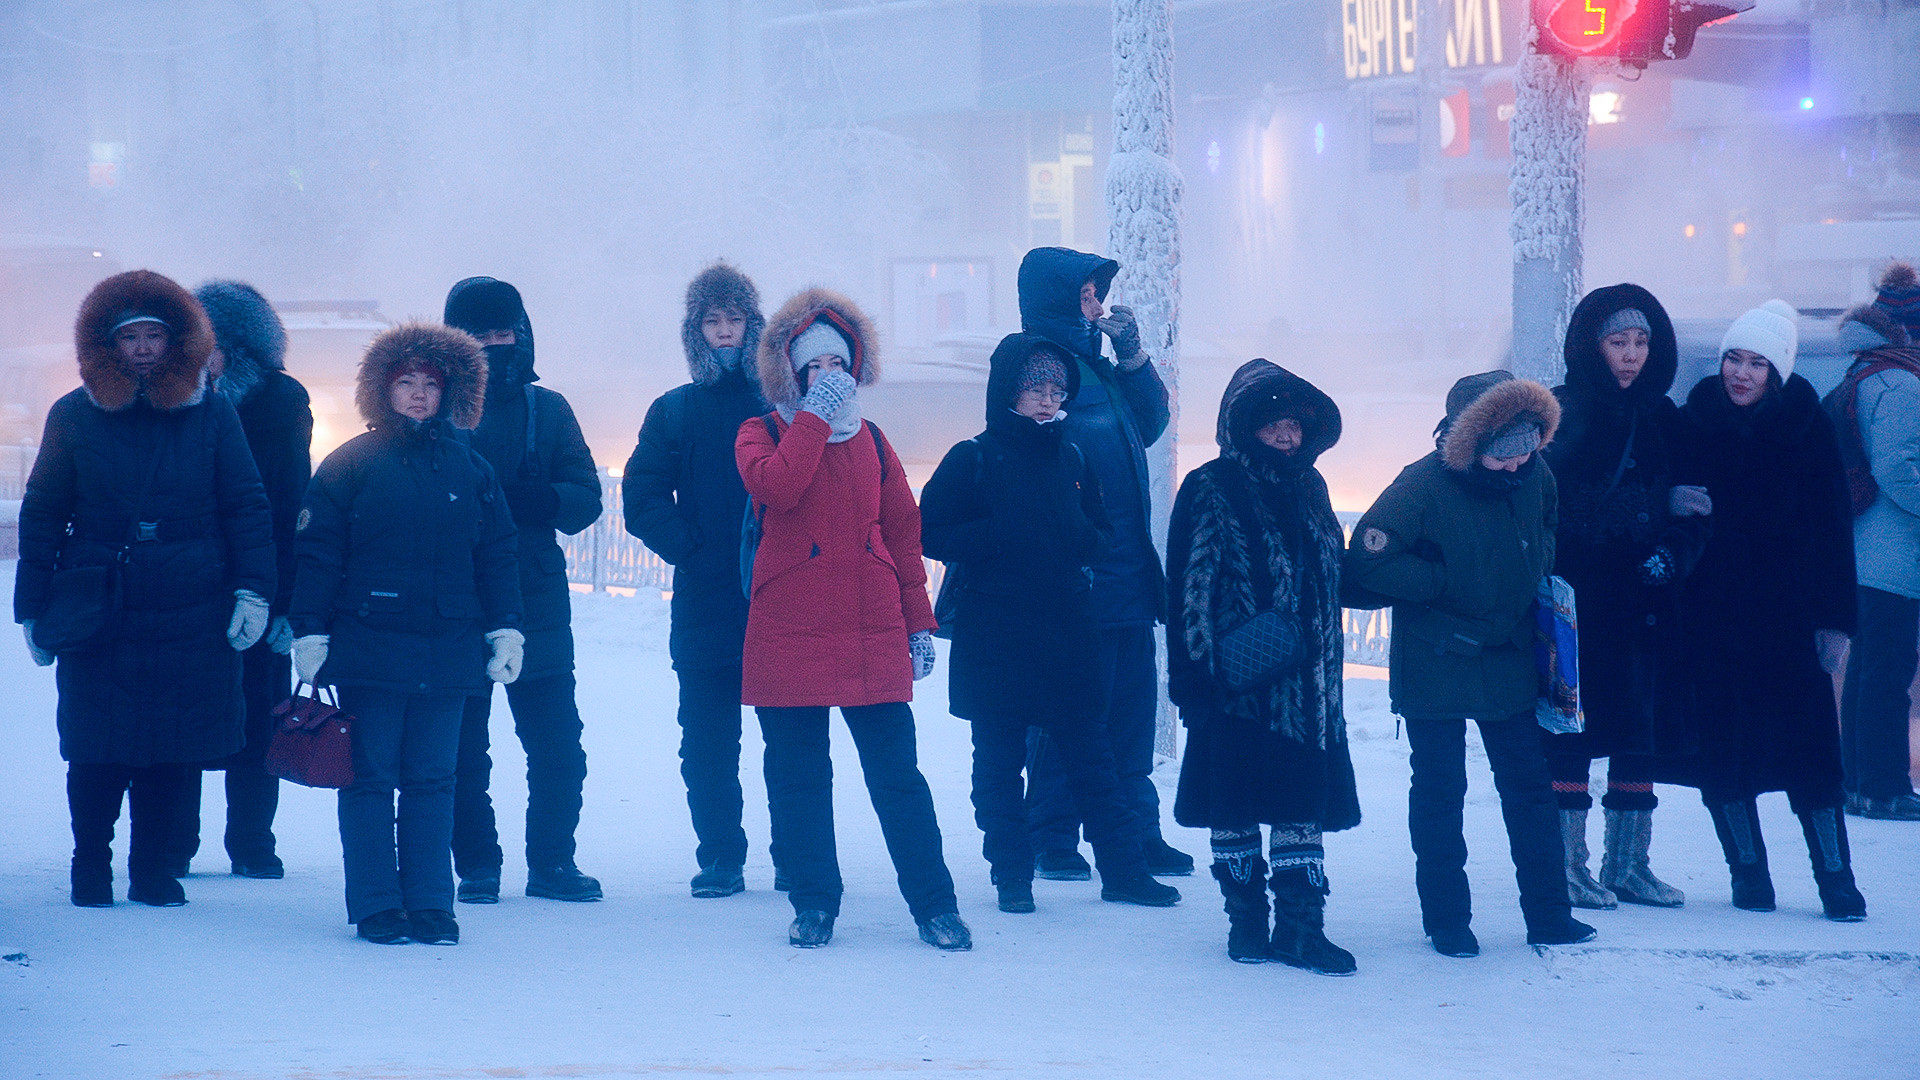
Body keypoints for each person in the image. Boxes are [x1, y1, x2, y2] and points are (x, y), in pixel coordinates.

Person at [16, 270, 276, 908]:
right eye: (128, 336)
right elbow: (44, 508)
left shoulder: (211, 412)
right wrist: (34, 607)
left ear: (175, 340)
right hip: (102, 601)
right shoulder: (74, 414)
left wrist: (253, 590)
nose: (141, 348)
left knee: (174, 747)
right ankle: (90, 865)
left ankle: (153, 869)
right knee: (97, 746)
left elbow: (245, 504)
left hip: (193, 601)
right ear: (104, 342)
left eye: (153, 335)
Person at [735, 287, 969, 951]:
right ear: (792, 372)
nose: (829, 378)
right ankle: (814, 904)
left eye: (839, 365)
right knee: (800, 779)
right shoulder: (760, 431)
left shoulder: (874, 440)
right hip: (789, 630)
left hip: (870, 630)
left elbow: (902, 531)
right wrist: (810, 419)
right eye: (815, 368)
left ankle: (935, 907)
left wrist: (919, 623)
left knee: (899, 780)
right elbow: (778, 487)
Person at [920, 333, 1181, 916]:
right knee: (996, 764)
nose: (1046, 398)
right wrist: (997, 537)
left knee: (1094, 758)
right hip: (997, 635)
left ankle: (1124, 872)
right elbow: (927, 530)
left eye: (1055, 388)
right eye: (1034, 387)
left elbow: (1100, 530)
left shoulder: (1072, 455)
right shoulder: (974, 456)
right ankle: (1011, 876)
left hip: (1067, 631)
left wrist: (1079, 541)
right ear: (1007, 391)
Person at [1345, 371, 1596, 956]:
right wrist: (1440, 580)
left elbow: (1548, 528)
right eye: (1501, 455)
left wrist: (1534, 584)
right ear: (1470, 444)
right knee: (1439, 791)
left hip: (1508, 654)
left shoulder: (1538, 478)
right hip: (1436, 658)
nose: (1515, 466)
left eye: (1526, 450)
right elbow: (1367, 564)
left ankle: (1549, 916)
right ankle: (1448, 921)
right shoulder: (1422, 485)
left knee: (1529, 788)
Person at [290, 323, 524, 945]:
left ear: (450, 393)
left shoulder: (472, 468)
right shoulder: (350, 464)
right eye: (405, 383)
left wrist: (506, 629)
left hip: (450, 648)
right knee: (367, 778)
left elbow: (498, 554)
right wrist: (309, 630)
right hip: (370, 645)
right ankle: (375, 904)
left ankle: (430, 904)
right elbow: (317, 553)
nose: (419, 395)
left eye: (430, 384)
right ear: (382, 390)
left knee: (433, 779)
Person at [1167, 360, 1360, 974]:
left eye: (1296, 425)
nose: (1286, 435)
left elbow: (1335, 573)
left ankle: (1301, 928)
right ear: (1242, 426)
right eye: (1273, 423)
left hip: (1308, 694)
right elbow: (1189, 590)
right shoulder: (1210, 485)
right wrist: (1195, 680)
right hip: (1237, 688)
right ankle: (1246, 923)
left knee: (1302, 805)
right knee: (1235, 804)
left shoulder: (1313, 488)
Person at [1676, 300, 1867, 921]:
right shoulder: (1694, 422)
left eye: (1757, 363)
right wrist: (1671, 498)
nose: (1741, 373)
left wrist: (1837, 621)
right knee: (1725, 754)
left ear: (1777, 371)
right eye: (1734, 357)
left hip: (1791, 619)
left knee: (1811, 754)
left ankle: (1837, 882)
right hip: (1713, 618)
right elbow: (1657, 501)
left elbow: (1835, 529)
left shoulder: (1807, 428)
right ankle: (1749, 878)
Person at [1014, 246, 1191, 882]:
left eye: (1098, 296)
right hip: (1078, 578)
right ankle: (1052, 835)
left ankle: (1136, 832)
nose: (1098, 307)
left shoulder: (1100, 369)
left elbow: (1149, 423)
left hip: (1128, 573)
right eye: (1086, 298)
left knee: (1130, 715)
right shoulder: (1040, 367)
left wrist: (1134, 357)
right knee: (1069, 711)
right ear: (1058, 302)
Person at [1540, 285, 1705, 909]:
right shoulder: (1567, 414)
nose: (1632, 355)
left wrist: (1675, 551)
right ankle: (1566, 868)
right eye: (1618, 342)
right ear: (1592, 345)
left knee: (1639, 730)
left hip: (1649, 605)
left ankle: (1629, 865)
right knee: (1573, 734)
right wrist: (1644, 516)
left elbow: (1698, 506)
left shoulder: (1667, 420)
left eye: (1642, 342)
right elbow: (1549, 508)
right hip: (1579, 608)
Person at [441, 278, 604, 905]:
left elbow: (585, 497)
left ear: (522, 334)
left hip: (535, 598)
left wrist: (543, 500)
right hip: (454, 600)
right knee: (462, 748)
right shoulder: (434, 408)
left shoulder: (549, 409)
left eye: (501, 335)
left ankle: (552, 864)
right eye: (476, 337)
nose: (490, 347)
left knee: (558, 745)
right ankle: (477, 866)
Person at [158, 280, 313, 881]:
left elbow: (289, 500)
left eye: (215, 343)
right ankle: (177, 842)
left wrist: (284, 598)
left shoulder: (278, 401)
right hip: (190, 582)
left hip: (260, 575)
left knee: (258, 713)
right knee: (188, 716)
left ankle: (252, 842)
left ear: (242, 347)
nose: (204, 354)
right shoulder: (176, 398)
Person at [624, 262, 770, 897]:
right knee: (708, 742)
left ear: (753, 325)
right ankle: (720, 856)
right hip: (707, 601)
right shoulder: (675, 411)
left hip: (781, 596)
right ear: (696, 331)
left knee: (791, 736)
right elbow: (642, 494)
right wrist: (692, 548)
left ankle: (796, 852)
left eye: (735, 319)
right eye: (713, 321)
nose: (725, 332)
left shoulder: (780, 405)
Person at [1828, 273, 1920, 822]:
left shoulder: (1863, 373)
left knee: (1867, 668)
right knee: (1886, 671)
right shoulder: (1901, 384)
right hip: (1893, 550)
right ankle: (1884, 787)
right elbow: (1899, 468)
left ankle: (1858, 781)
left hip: (1867, 547)